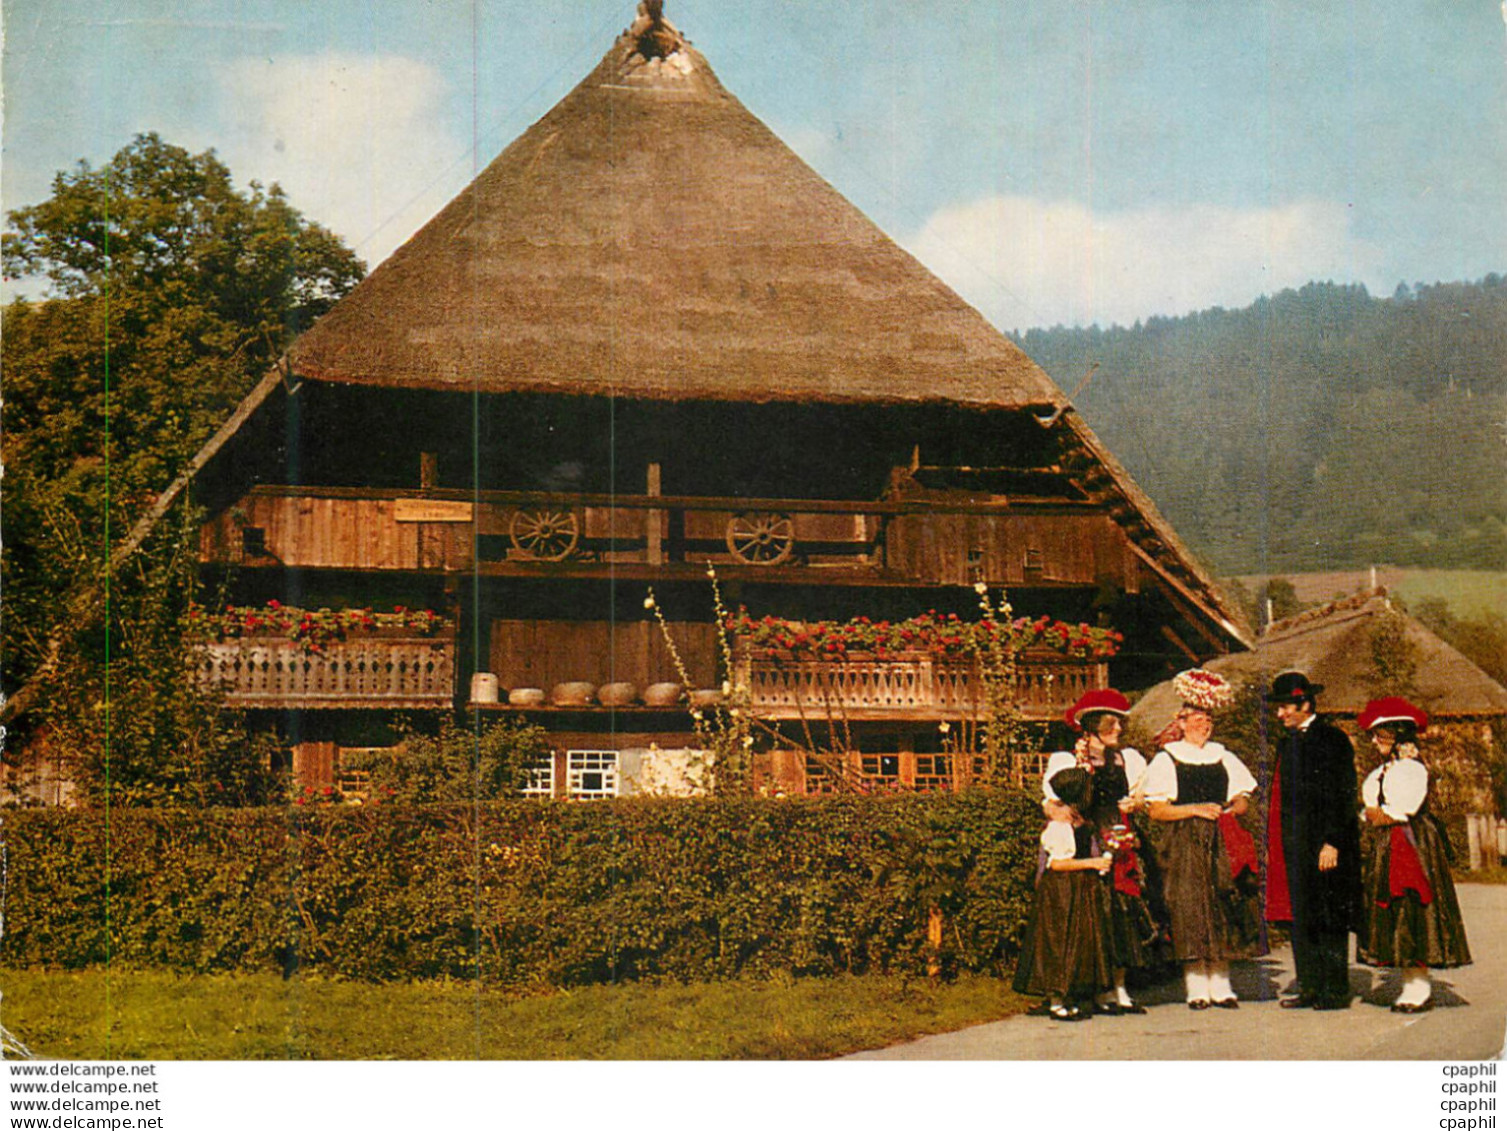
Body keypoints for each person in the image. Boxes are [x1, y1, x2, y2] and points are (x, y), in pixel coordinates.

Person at [1144, 669, 1263, 1009]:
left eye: (1207, 718)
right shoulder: (1167, 758)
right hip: (1183, 842)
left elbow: (1242, 797)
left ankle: (1222, 983)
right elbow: (1157, 810)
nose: (1203, 724)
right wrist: (1194, 809)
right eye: (1196, 718)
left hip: (1221, 838)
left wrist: (1232, 809)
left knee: (1223, 902)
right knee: (1190, 906)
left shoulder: (1223, 755)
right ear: (1180, 722)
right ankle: (1196, 985)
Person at [1042, 689, 1154, 1014]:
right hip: (1082, 837)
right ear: (1092, 727)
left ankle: (1117, 988)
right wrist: (1053, 810)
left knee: (1120, 913)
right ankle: (1093, 988)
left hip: (1116, 834)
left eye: (1119, 724)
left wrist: (1136, 804)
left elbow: (1140, 798)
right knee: (1090, 913)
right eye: (1110, 725)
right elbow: (1052, 800)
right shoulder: (1066, 760)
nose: (1118, 730)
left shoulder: (1126, 759)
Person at [1356, 697, 1471, 1012]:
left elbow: (1398, 812)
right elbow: (1371, 812)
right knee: (1394, 911)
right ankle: (1410, 982)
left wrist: (1376, 815)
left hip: (1412, 844)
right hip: (1390, 843)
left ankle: (1418, 988)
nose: (1374, 740)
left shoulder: (1410, 769)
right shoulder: (1382, 771)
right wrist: (1374, 815)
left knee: (1413, 908)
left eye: (1379, 734)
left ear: (1396, 737)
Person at [1264, 670, 1362, 1011]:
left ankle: (1334, 990)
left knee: (1329, 915)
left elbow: (1343, 794)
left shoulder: (1332, 740)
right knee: (1301, 916)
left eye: (1285, 707)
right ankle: (1309, 986)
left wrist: (1332, 841)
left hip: (1327, 845)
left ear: (1305, 704)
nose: (1280, 715)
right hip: (1296, 845)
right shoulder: (1288, 742)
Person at [1014, 767, 1115, 1021]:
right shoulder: (1059, 827)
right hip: (1061, 889)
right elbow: (1057, 863)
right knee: (1058, 942)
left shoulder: (1078, 822)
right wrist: (1092, 864)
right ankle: (1056, 1001)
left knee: (1075, 942)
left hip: (1077, 887)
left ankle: (1068, 996)